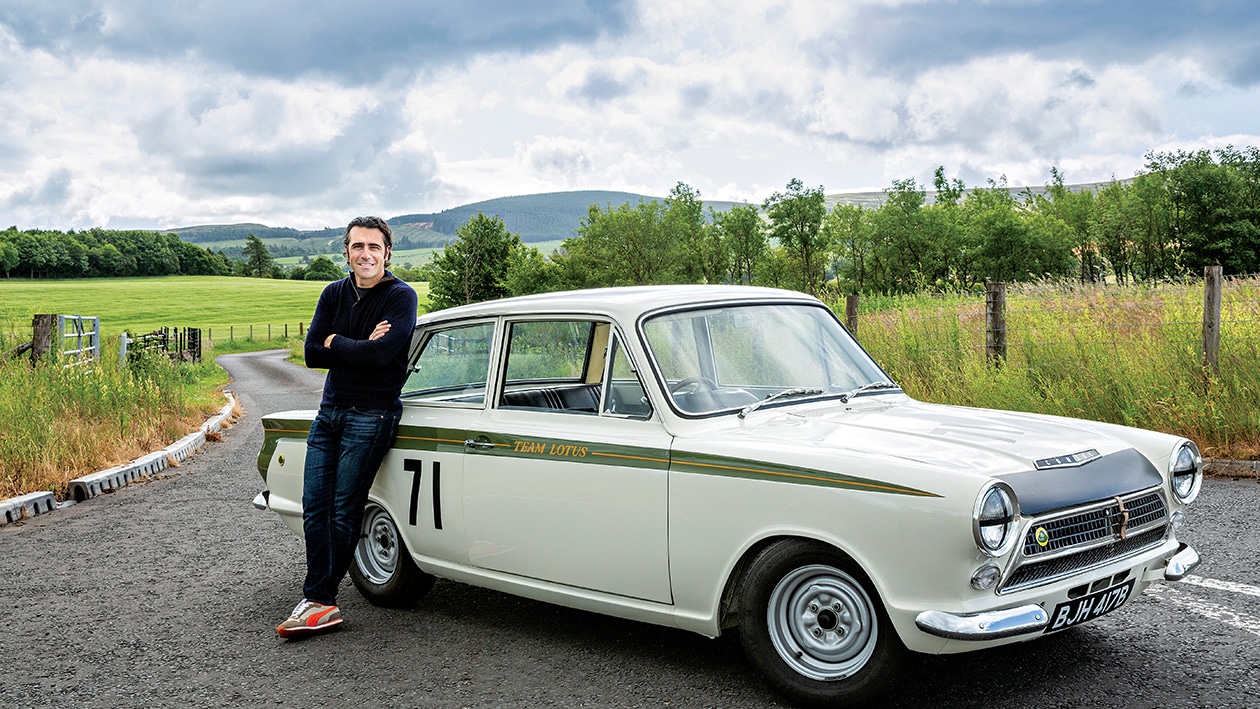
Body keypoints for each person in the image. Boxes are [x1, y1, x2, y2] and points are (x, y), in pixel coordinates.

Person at [277, 215, 418, 638]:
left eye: (374, 247)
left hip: (371, 415)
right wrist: (353, 344)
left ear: (387, 253)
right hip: (331, 410)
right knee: (314, 506)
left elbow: (381, 356)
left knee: (343, 507)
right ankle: (320, 597)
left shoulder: (401, 296)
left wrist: (337, 341)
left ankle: (320, 599)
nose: (366, 254)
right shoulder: (333, 292)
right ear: (347, 252)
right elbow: (311, 354)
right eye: (358, 247)